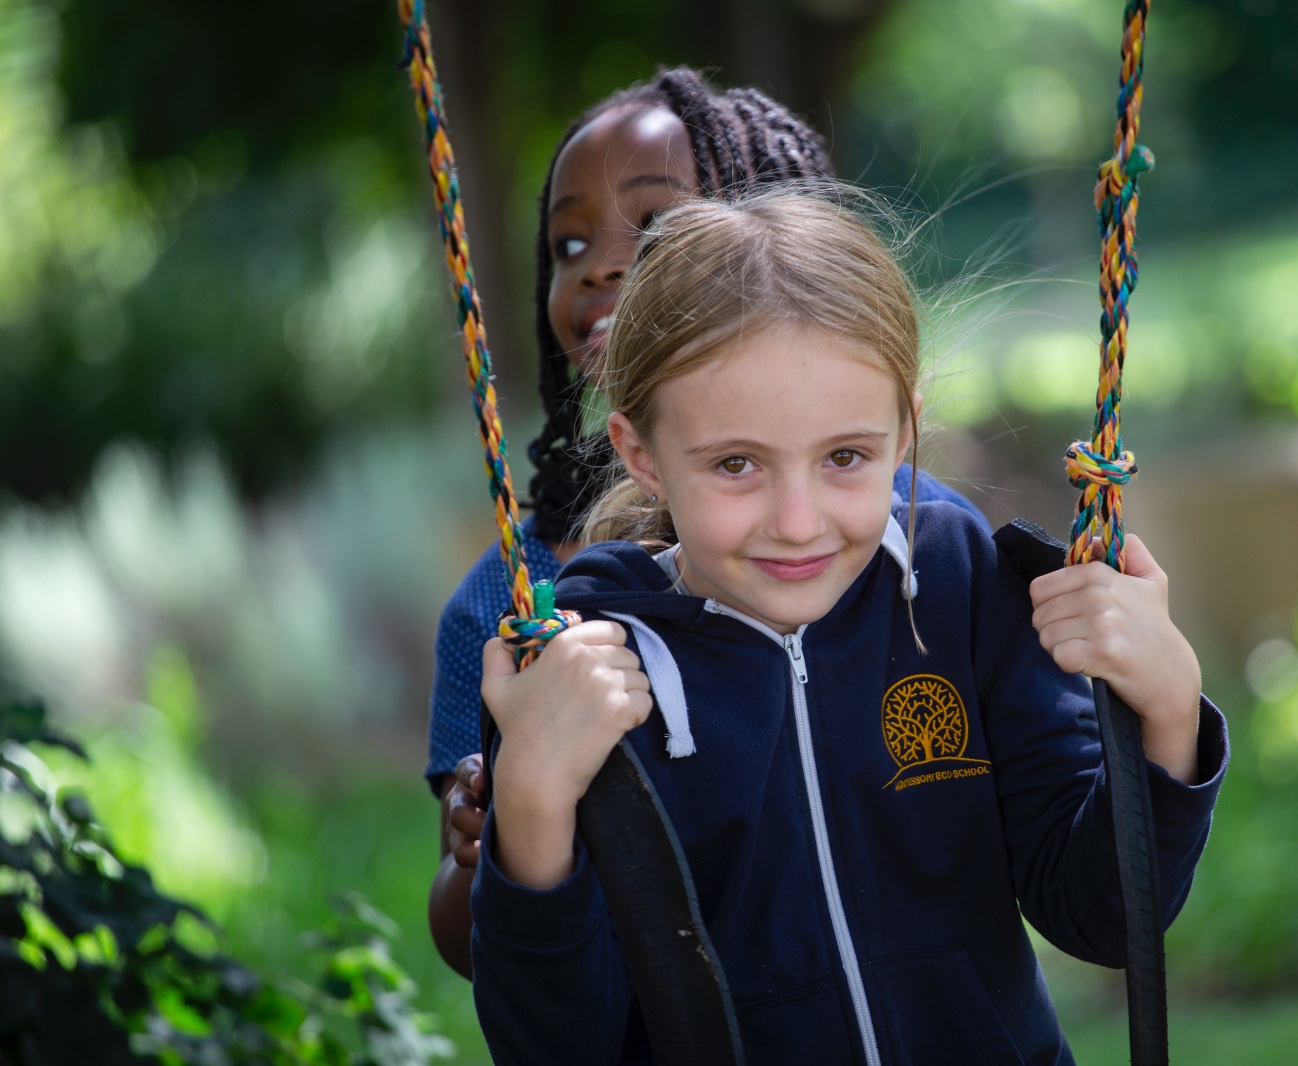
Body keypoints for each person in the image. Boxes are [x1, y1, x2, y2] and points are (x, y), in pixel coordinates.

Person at [471, 188, 1227, 1063]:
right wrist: (531, 796)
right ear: (642, 455)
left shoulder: (957, 588)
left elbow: (1105, 917)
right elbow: (556, 1046)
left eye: (844, 457)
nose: (799, 523)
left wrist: (1168, 710)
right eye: (736, 464)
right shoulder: (584, 669)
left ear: (904, 433)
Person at [426, 69, 988, 977]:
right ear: (640, 455)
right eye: (569, 243)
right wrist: (498, 832)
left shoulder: (913, 549)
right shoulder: (505, 600)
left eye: (653, 227)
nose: (598, 266)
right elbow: (478, 949)